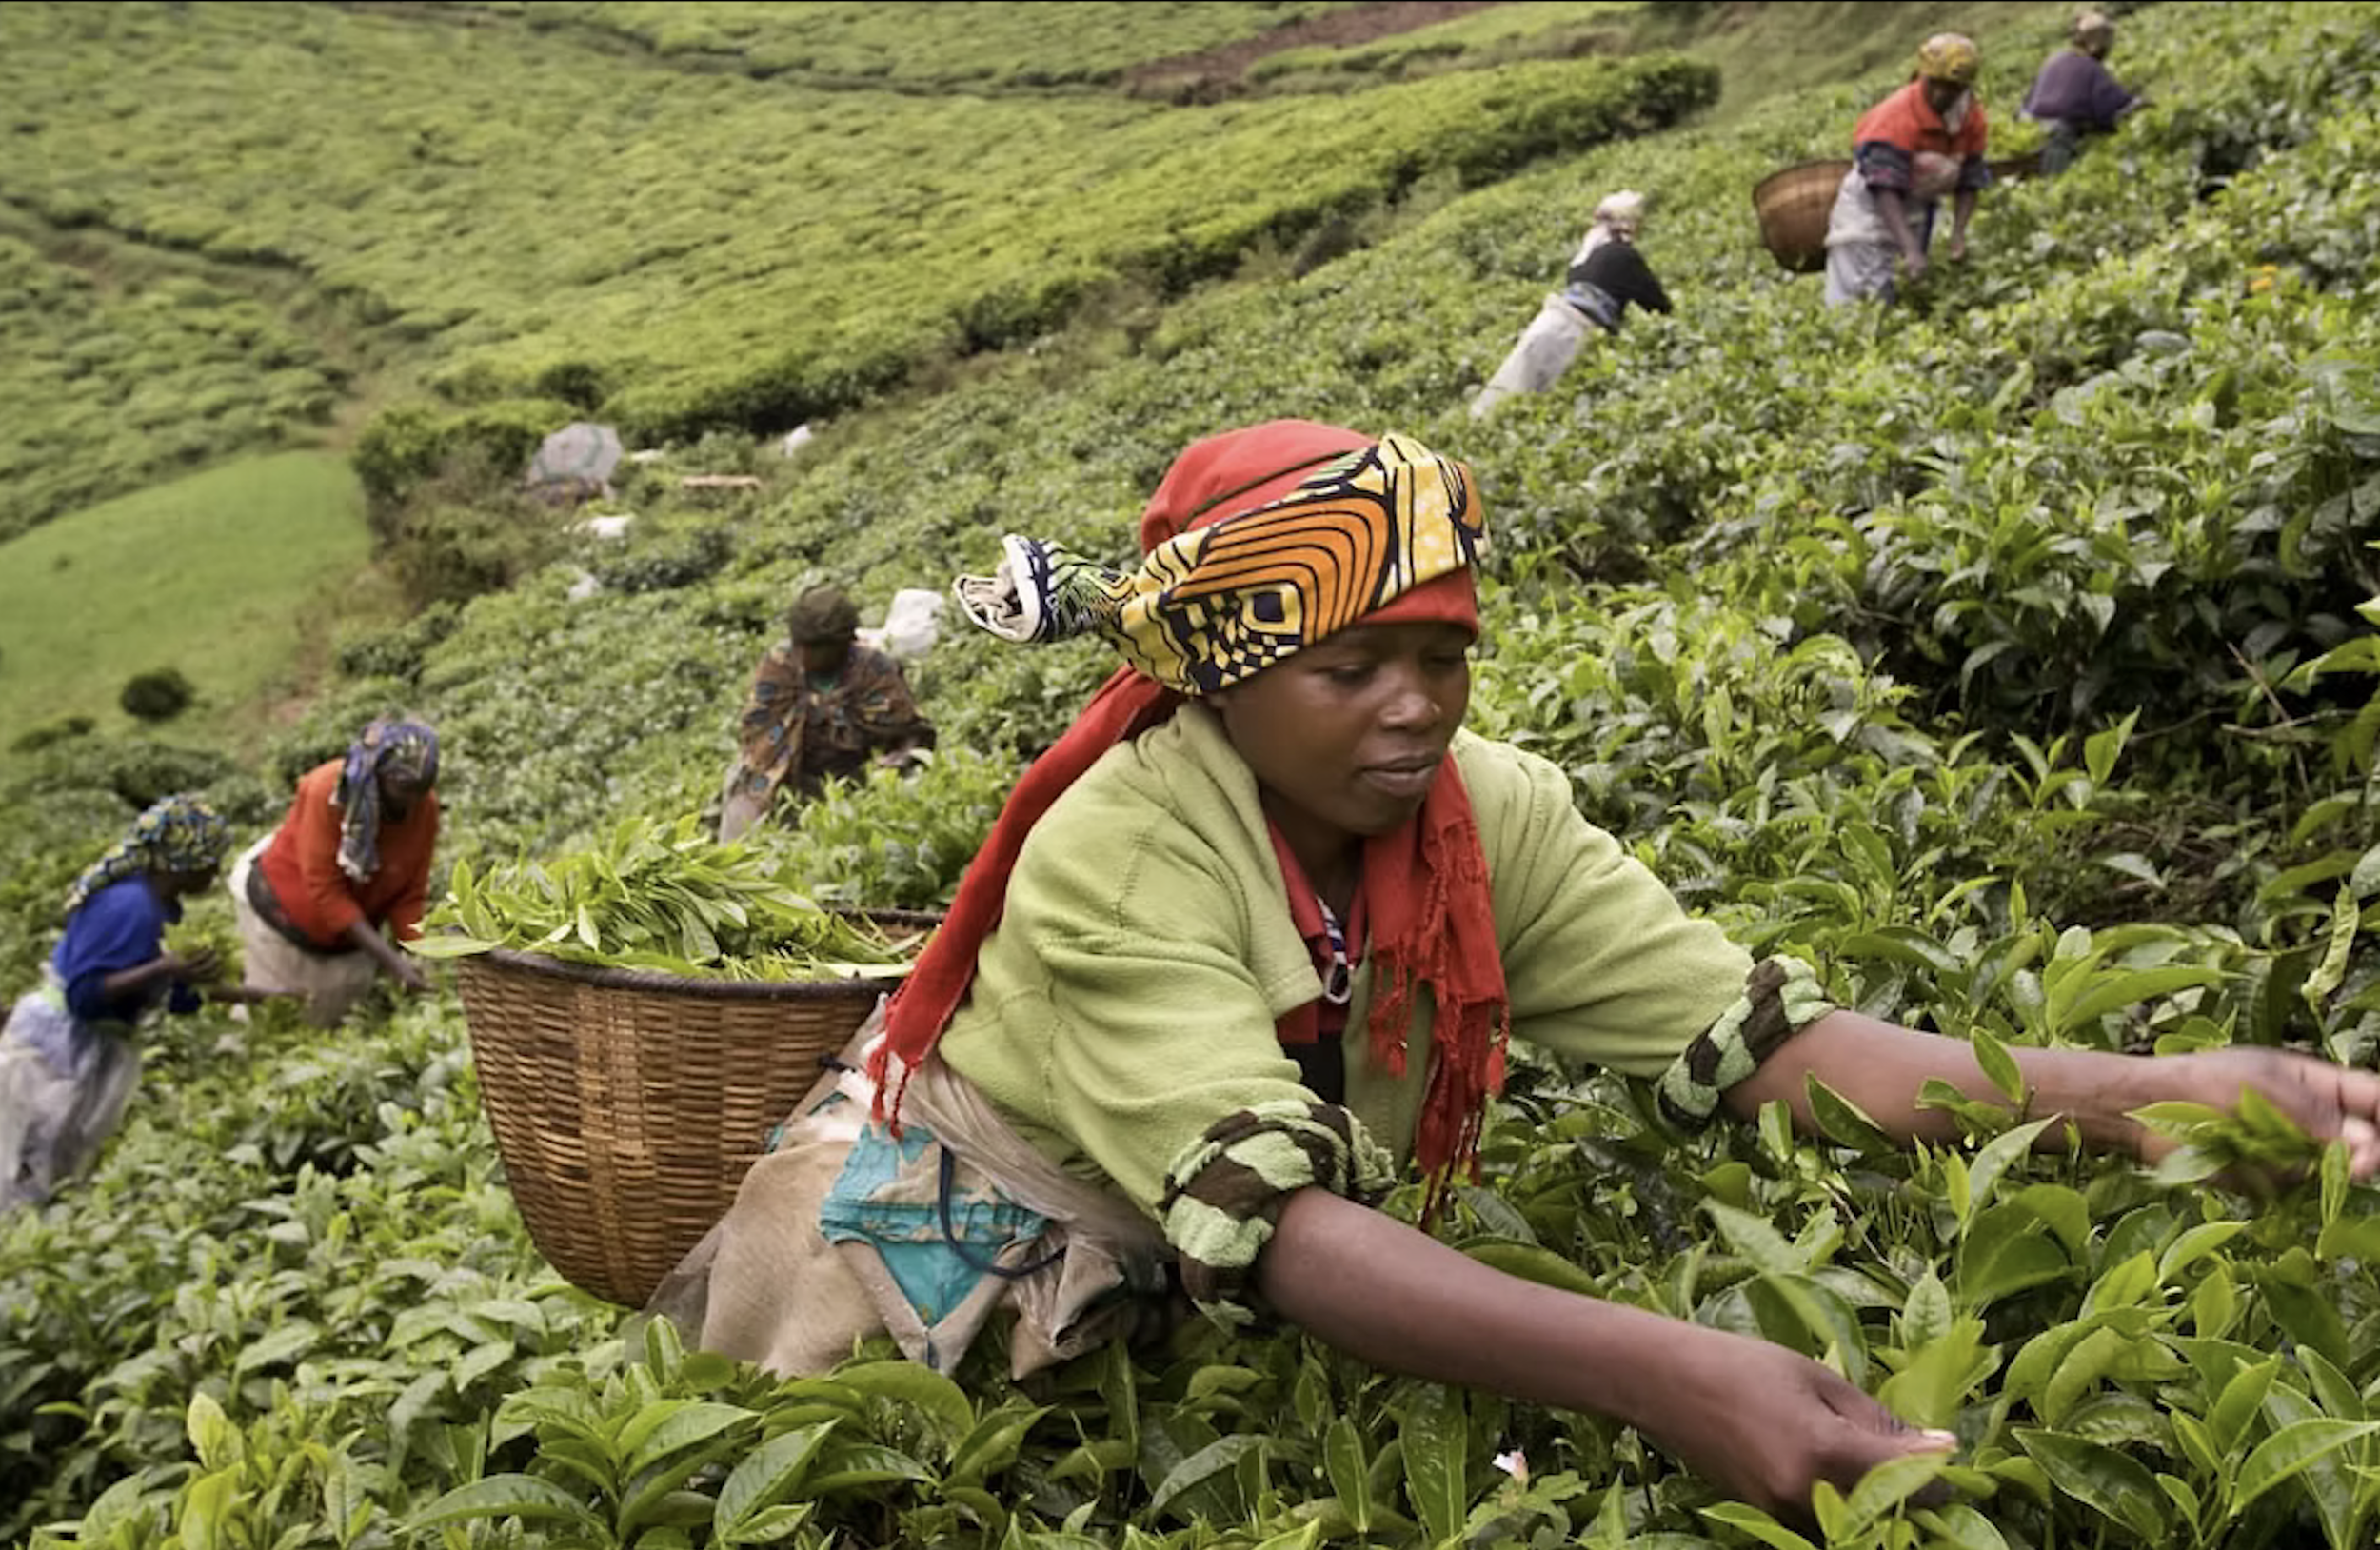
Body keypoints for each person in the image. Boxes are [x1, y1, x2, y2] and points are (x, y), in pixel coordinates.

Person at [657, 420, 2380, 1523]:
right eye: (1350, 667)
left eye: (1443, 656)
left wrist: (2146, 1095)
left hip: (1188, 1238)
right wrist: (1671, 1370)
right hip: (950, 1248)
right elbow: (1282, 1225)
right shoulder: (1121, 844)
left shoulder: (1483, 818)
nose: (1413, 706)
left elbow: (1772, 1048)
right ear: (1224, 677)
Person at [0, 794, 247, 1208]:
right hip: (57, 1045)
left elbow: (174, 997)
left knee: (58, 1165)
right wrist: (164, 967)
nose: (215, 872)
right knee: (26, 1158)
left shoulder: (162, 908)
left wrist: (243, 992)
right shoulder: (129, 906)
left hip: (91, 1046)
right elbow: (84, 995)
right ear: (179, 862)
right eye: (209, 861)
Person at [229, 716, 440, 1027]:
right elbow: (326, 890)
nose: (413, 801)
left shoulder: (425, 808)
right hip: (282, 917)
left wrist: (421, 953)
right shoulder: (327, 791)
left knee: (335, 1020)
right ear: (376, 774)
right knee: (275, 1020)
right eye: (404, 789)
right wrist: (394, 963)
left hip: (349, 935)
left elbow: (409, 892)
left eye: (423, 789)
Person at [717, 585, 938, 842]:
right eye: (800, 644)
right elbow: (759, 733)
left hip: (854, 779)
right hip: (784, 777)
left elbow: (911, 731)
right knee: (742, 805)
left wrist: (891, 767)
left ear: (842, 644)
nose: (804, 654)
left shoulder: (873, 670)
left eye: (815, 647)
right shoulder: (780, 666)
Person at [1468, 190, 1672, 419]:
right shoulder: (1624, 256)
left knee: (1507, 392)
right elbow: (1658, 306)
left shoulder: (1585, 256)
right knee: (1545, 403)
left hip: (1548, 321)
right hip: (1574, 332)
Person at [1823, 34, 1992, 307]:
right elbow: (1884, 187)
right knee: (1863, 300)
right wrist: (1910, 248)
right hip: (1868, 215)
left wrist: (1958, 234)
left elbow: (1970, 179)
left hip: (1917, 210)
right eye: (1935, 84)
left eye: (1951, 88)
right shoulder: (1895, 116)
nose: (1941, 94)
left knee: (1903, 293)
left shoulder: (1970, 117)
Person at [2022, 11, 2139, 175]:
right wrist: (2136, 103)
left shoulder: (2053, 60)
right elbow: (2110, 109)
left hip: (2028, 127)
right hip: (2057, 136)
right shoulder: (2091, 68)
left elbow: (2028, 100)